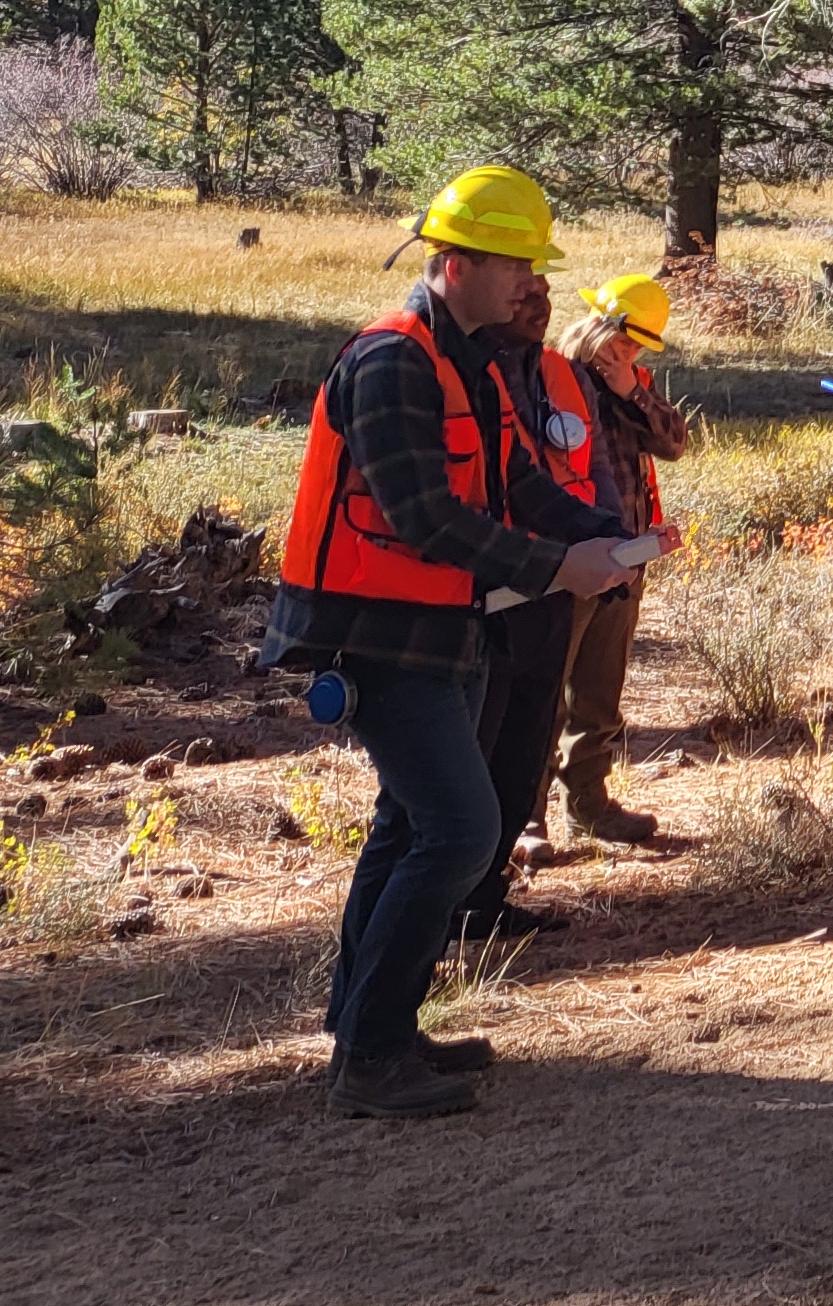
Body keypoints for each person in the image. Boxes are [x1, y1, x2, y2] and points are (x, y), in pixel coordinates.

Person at [262, 165, 641, 1118]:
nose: (531, 280)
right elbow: (425, 515)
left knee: (411, 824)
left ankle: (370, 1027)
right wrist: (560, 568)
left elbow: (519, 484)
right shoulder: (393, 361)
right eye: (513, 261)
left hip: (441, 627)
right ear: (451, 262)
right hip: (377, 636)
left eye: (532, 263)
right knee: (463, 828)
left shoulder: (472, 363)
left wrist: (601, 534)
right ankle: (371, 1053)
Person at [455, 265, 607, 939]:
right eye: (524, 294)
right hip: (490, 591)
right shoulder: (452, 367)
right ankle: (450, 909)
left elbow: (567, 472)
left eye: (545, 297)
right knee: (476, 761)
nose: (535, 307)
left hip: (553, 582)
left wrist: (608, 533)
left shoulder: (551, 373)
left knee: (522, 748)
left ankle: (487, 898)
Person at [552, 272, 692, 848]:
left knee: (599, 691)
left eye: (636, 347)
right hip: (568, 559)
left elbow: (675, 441)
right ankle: (526, 818)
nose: (626, 353)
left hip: (626, 558)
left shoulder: (632, 384)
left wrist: (629, 389)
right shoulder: (552, 377)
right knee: (544, 692)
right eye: (623, 340)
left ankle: (588, 806)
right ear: (596, 325)